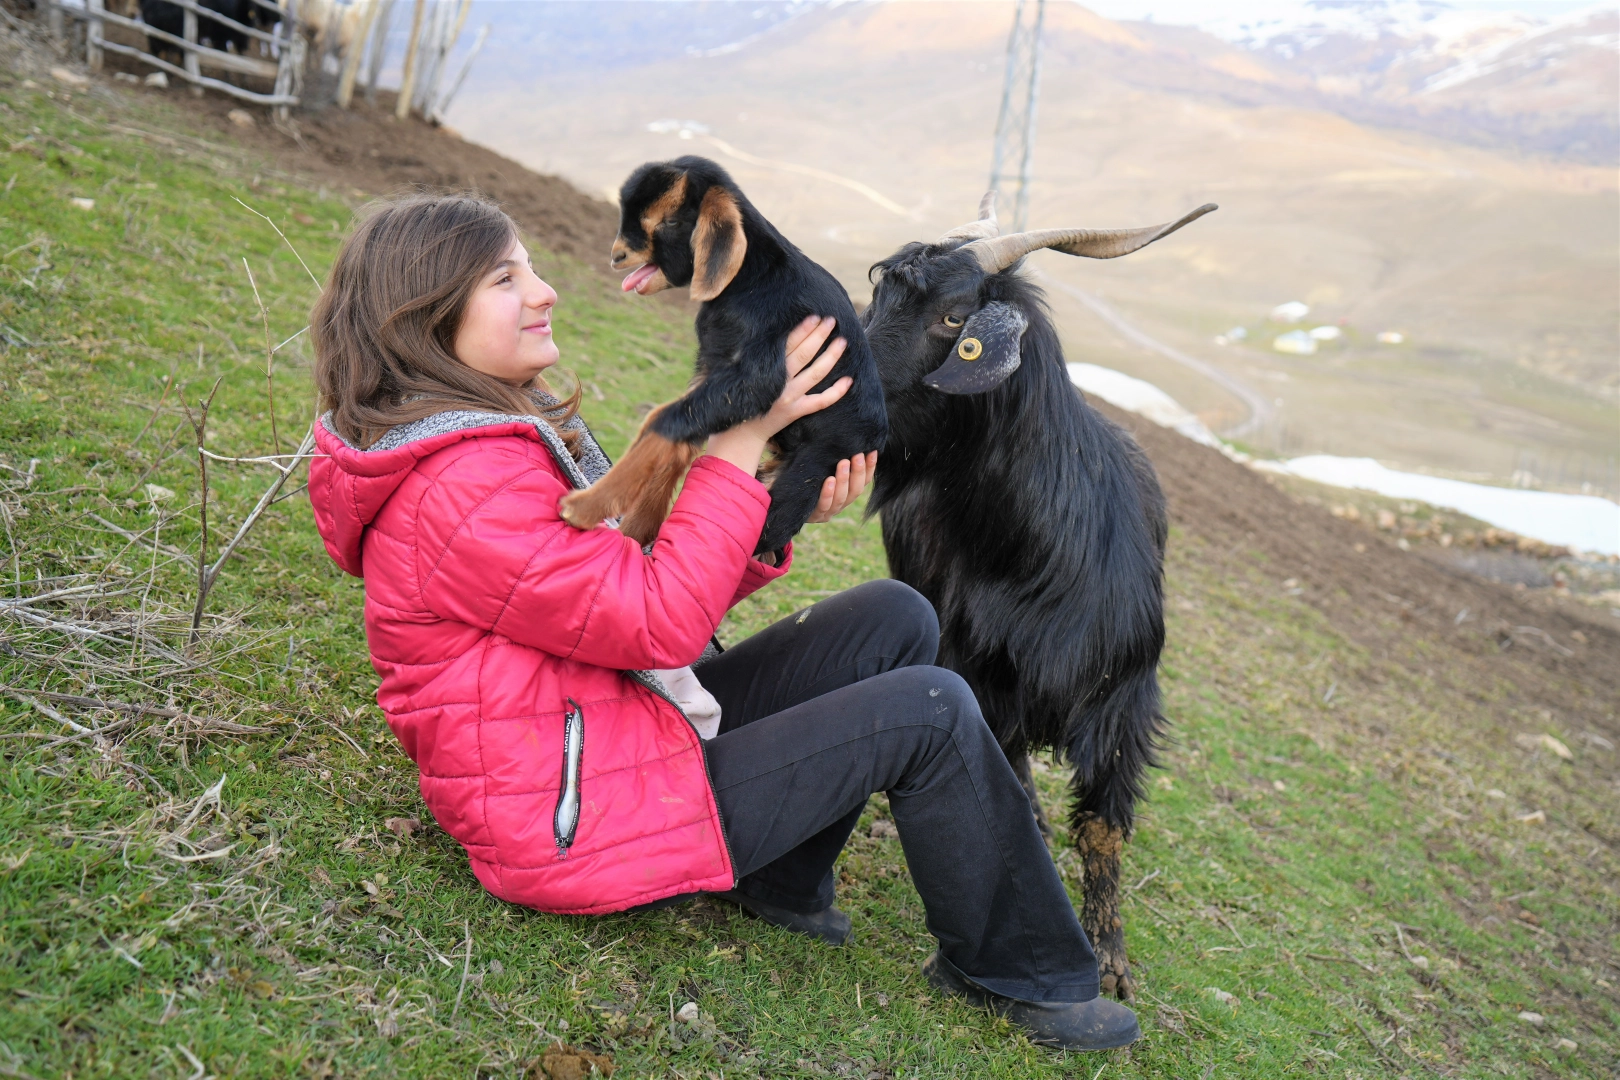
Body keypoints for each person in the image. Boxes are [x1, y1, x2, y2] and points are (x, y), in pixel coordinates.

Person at [306, 193, 1140, 1052]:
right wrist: (740, 442)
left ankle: (780, 878)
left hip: (615, 739)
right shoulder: (462, 484)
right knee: (930, 709)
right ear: (425, 318)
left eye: (532, 268)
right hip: (576, 820)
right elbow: (655, 623)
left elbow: (610, 596)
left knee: (894, 615)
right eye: (505, 278)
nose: (545, 290)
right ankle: (1024, 971)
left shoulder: (487, 442)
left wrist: (775, 511)